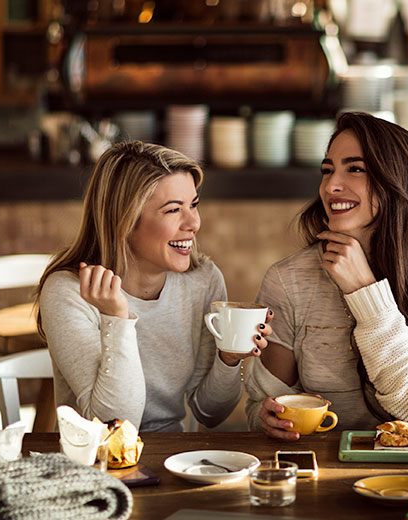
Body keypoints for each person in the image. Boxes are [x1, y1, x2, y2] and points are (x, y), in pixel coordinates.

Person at [245, 112, 408, 440]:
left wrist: (365, 290)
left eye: (355, 169)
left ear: (398, 181)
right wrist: (267, 417)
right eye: (327, 170)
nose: (330, 186)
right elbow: (261, 405)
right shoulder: (288, 279)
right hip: (329, 467)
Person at [36, 141, 271, 432]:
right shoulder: (70, 292)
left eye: (193, 205)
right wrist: (116, 319)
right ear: (124, 220)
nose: (194, 223)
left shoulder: (203, 280)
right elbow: (116, 425)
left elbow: (211, 413)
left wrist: (229, 358)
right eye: (173, 210)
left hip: (173, 459)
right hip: (95, 462)